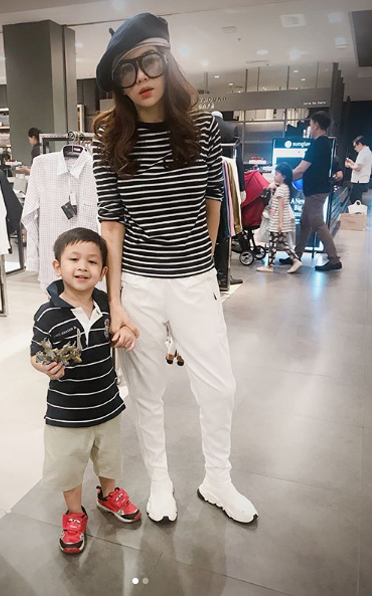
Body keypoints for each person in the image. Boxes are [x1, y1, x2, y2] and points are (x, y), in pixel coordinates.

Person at [93, 12, 257, 525]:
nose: (141, 78)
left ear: (167, 61)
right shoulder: (108, 138)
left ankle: (217, 479)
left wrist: (204, 270)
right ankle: (160, 482)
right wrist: (115, 301)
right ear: (118, 83)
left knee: (219, 386)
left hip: (194, 279)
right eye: (126, 70)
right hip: (139, 284)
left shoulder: (204, 128)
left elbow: (213, 202)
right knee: (147, 393)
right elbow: (112, 224)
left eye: (149, 62)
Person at [30, 228, 141, 555]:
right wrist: (45, 366)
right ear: (57, 266)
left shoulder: (107, 304)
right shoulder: (48, 314)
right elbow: (35, 354)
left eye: (92, 262)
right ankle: (74, 513)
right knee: (69, 465)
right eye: (74, 259)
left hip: (107, 404)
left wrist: (125, 333)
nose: (82, 267)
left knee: (109, 458)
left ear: (103, 271)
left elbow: (123, 328)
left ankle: (108, 495)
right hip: (66, 412)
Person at [280, 111, 342, 272]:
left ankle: (334, 259)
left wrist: (283, 178)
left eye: (311, 124)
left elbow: (301, 169)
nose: (310, 127)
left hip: (316, 191)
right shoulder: (325, 143)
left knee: (317, 223)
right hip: (316, 190)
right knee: (305, 223)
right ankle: (296, 256)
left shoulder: (317, 145)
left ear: (316, 125)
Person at [212, 110, 245, 288]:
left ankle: (211, 272)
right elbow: (238, 160)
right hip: (224, 182)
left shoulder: (197, 129)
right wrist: (241, 188)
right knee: (224, 228)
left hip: (202, 185)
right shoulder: (230, 129)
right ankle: (223, 275)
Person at [257, 163, 302, 274]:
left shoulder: (281, 190)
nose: (274, 176)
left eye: (277, 174)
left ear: (283, 176)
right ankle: (295, 260)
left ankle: (270, 265)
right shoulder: (285, 188)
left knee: (273, 244)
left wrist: (280, 223)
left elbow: (281, 207)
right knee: (281, 243)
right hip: (281, 221)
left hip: (277, 221)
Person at [346, 135, 372, 204]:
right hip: (363, 180)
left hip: (359, 181)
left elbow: (358, 168)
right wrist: (352, 163)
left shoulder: (363, 153)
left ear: (360, 144)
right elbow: (359, 165)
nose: (355, 148)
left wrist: (349, 165)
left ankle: (356, 211)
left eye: (355, 146)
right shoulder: (368, 152)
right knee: (356, 199)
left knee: (355, 200)